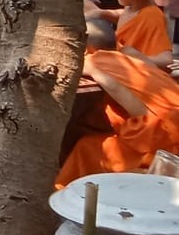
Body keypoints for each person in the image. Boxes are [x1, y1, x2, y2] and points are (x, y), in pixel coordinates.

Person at [55, 18, 179, 187]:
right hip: (169, 126)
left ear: (85, 47)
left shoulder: (95, 60)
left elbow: (140, 112)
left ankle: (71, 198)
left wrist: (94, 71)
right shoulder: (130, 59)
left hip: (165, 142)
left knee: (85, 147)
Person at [86, 0, 173, 70]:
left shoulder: (153, 17)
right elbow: (126, 16)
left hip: (133, 71)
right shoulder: (134, 6)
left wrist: (134, 57)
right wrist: (103, 13)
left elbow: (166, 61)